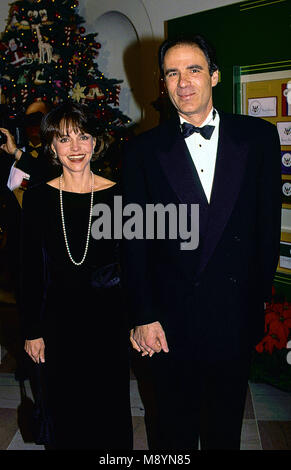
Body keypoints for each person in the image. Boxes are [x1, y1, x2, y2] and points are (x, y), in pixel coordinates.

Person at [122, 34, 282, 450]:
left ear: (214, 76)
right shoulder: (143, 151)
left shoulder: (259, 138)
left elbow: (267, 226)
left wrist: (257, 300)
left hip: (234, 314)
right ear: (163, 84)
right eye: (172, 73)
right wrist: (143, 315)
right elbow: (135, 242)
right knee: (171, 429)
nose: (184, 82)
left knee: (223, 426)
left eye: (194, 70)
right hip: (169, 321)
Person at [20, 101, 133, 449]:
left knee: (108, 410)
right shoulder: (38, 199)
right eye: (65, 140)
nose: (76, 148)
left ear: (95, 142)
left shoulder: (119, 196)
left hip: (108, 325)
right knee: (64, 411)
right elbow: (29, 271)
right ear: (52, 146)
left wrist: (138, 319)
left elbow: (132, 267)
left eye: (83, 137)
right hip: (58, 325)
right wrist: (32, 330)